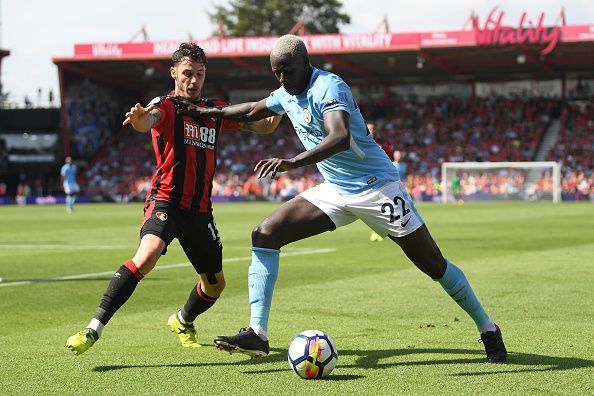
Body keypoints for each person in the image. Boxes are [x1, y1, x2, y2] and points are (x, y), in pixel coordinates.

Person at [186, 35, 507, 363]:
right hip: (336, 189)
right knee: (265, 234)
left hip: (376, 187)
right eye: (276, 73)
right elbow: (253, 109)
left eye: (287, 71)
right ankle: (258, 334)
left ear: (305, 64)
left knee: (433, 264)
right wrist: (205, 111)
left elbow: (340, 138)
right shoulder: (287, 92)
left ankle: (487, 328)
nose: (282, 79)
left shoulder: (328, 87)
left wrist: (292, 163)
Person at [65, 43, 280, 355]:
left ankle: (182, 319)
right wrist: (139, 118)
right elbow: (145, 122)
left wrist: (285, 101)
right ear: (174, 73)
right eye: (188, 74)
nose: (194, 81)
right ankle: (92, 329)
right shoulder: (166, 106)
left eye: (200, 74)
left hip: (200, 212)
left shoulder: (214, 111)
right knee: (148, 254)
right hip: (165, 202)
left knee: (215, 286)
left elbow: (266, 126)